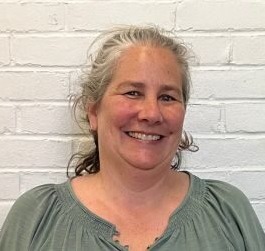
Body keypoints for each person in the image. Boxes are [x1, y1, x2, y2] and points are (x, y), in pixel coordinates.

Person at [0, 25, 264, 251]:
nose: (151, 113)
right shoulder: (36, 218)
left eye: (167, 97)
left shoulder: (229, 212)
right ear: (94, 112)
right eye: (132, 93)